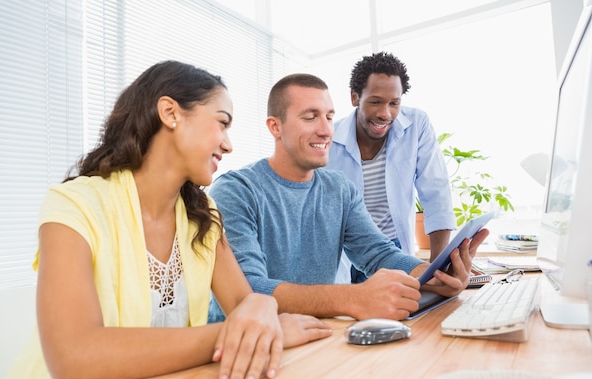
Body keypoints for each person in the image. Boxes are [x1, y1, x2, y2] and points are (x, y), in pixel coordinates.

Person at [0, 61, 332, 379]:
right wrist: (230, 333)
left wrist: (262, 308)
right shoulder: (75, 204)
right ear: (170, 113)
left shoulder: (204, 219)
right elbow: (74, 361)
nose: (228, 145)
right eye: (222, 123)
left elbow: (246, 307)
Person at [207, 73, 488, 323]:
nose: (325, 130)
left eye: (329, 117)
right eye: (310, 117)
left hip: (315, 338)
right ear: (275, 127)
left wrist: (435, 275)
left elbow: (379, 253)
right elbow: (249, 289)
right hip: (240, 346)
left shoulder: (339, 189)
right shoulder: (235, 191)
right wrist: (353, 298)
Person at [326, 52, 455, 284]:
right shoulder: (329, 138)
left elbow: (436, 193)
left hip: (392, 249)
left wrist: (437, 270)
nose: (385, 114)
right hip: (344, 253)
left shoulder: (417, 125)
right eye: (375, 102)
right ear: (355, 97)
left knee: (405, 314)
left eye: (394, 103)